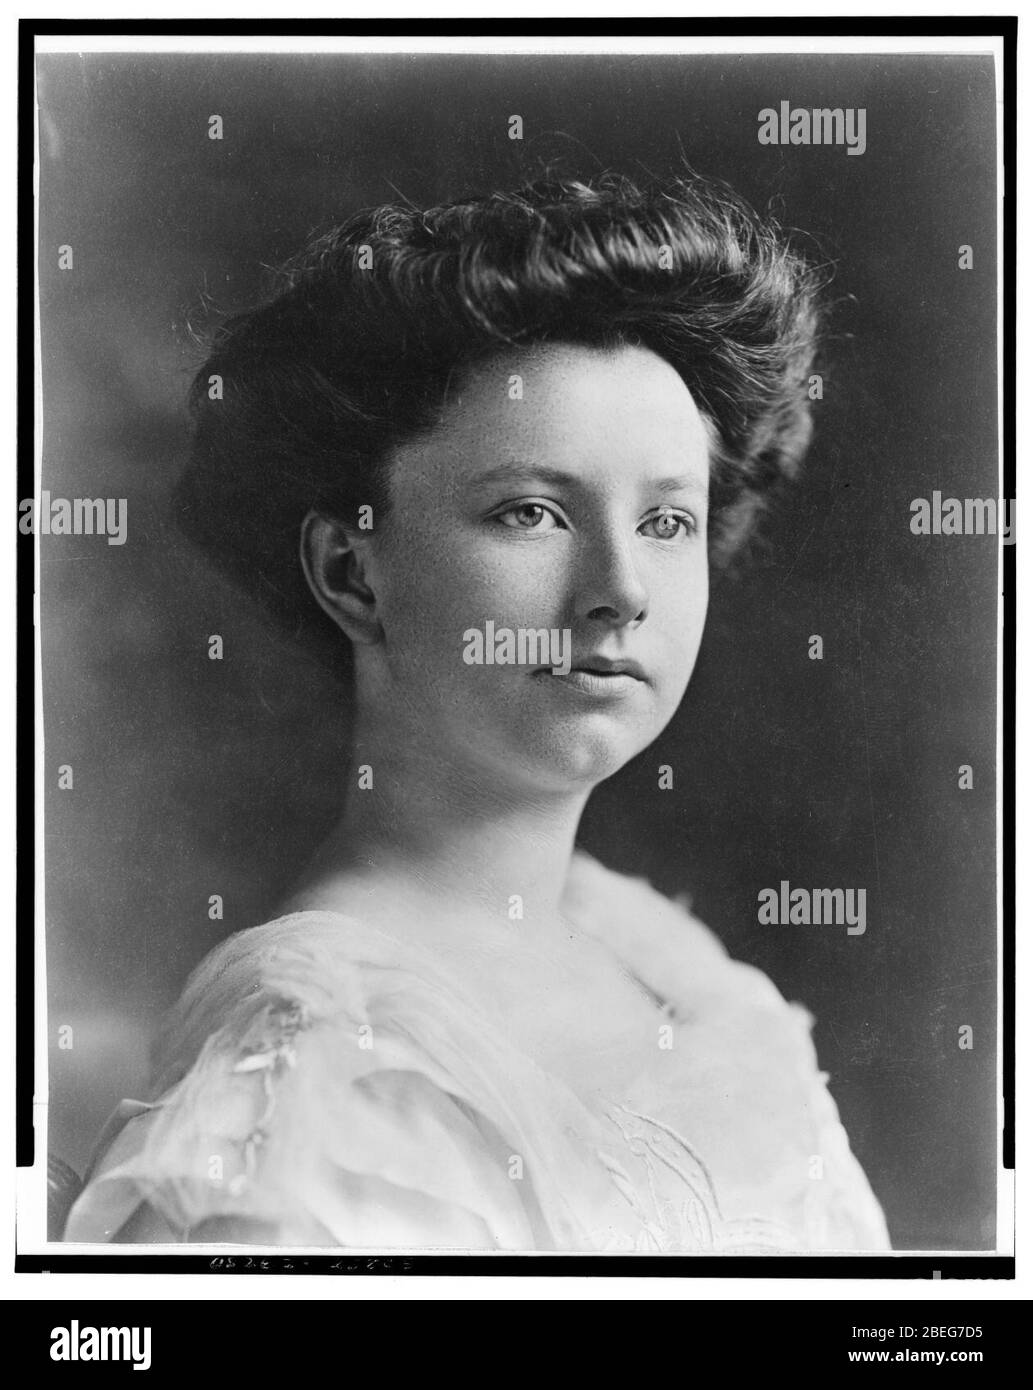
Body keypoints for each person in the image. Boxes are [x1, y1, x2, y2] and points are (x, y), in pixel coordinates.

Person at [63, 173, 891, 1252]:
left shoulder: (667, 963)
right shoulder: (315, 1088)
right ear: (354, 572)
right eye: (532, 510)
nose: (621, 588)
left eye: (665, 520)